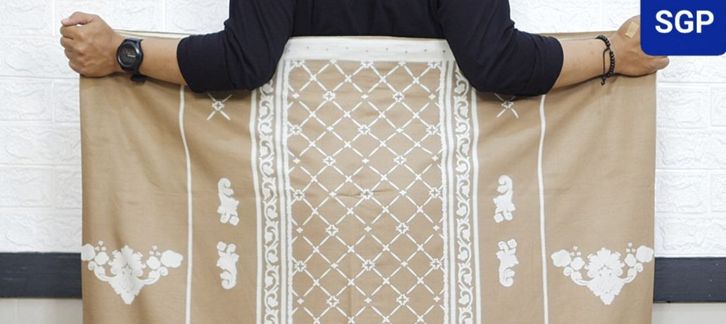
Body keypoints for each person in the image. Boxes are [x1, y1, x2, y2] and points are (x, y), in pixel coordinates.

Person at [59, 1, 668, 96]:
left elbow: (243, 61)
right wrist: (612, 53)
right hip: (434, 204)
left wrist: (122, 53)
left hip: (304, 204)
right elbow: (496, 62)